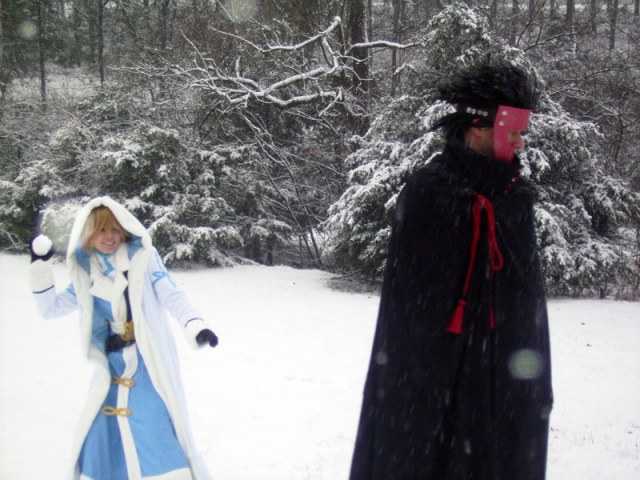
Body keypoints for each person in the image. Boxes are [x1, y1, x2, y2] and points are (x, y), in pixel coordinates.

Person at [349, 62, 554, 480]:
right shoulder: (429, 192)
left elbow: (525, 302)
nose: (521, 141)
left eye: (523, 131)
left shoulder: (515, 198)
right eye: (513, 130)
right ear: (478, 126)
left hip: (503, 372)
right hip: (428, 376)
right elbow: (408, 313)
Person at [29, 196, 218, 480]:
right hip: (111, 365)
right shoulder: (86, 270)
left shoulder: (142, 259)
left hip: (146, 362)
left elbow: (171, 294)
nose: (109, 237)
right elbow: (50, 309)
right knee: (101, 430)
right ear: (89, 234)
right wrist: (39, 268)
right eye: (101, 230)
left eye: (114, 230)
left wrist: (194, 324)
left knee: (152, 424)